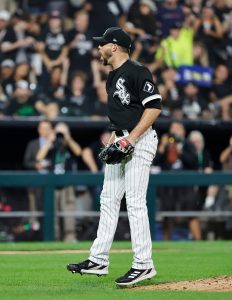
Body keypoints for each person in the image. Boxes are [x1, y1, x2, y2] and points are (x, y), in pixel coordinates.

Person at [67, 27, 162, 286]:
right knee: (108, 200)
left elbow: (154, 107)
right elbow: (121, 115)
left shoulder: (137, 71)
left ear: (115, 46)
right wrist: (115, 139)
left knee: (134, 202)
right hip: (120, 139)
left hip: (139, 140)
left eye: (102, 44)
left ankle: (144, 264)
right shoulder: (112, 77)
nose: (98, 48)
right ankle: (98, 259)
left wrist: (131, 139)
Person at [154, 121, 201, 240]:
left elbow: (193, 162)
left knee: (191, 213)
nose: (175, 132)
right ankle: (166, 241)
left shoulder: (188, 144)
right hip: (168, 185)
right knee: (167, 215)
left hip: (186, 183)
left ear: (183, 132)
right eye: (173, 129)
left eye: (178, 129)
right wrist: (162, 147)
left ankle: (199, 240)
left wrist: (180, 152)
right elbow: (156, 162)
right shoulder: (166, 145)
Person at [36, 122, 82, 242]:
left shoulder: (69, 147)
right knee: (53, 214)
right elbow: (39, 157)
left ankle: (70, 238)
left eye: (63, 132)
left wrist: (68, 139)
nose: (60, 136)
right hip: (52, 185)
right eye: (58, 133)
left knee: (68, 213)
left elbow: (79, 152)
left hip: (67, 184)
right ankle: (54, 239)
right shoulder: (51, 146)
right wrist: (50, 140)